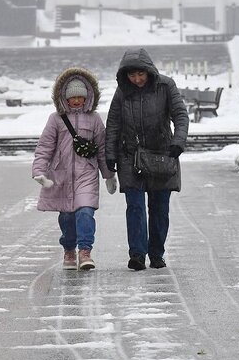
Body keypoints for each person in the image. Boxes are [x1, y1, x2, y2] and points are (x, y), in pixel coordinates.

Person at [104, 48, 189, 271]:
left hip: (162, 155)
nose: (137, 79)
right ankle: (138, 255)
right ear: (125, 76)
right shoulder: (122, 92)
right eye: (132, 75)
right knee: (135, 207)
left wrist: (178, 141)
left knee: (160, 208)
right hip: (130, 157)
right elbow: (113, 123)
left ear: (149, 71)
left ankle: (157, 253)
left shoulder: (166, 86)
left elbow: (180, 115)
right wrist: (110, 155)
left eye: (140, 74)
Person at [32, 68, 116, 271]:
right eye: (73, 97)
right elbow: (45, 146)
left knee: (85, 212)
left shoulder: (95, 119)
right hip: (61, 176)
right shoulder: (56, 119)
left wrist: (108, 175)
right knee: (67, 216)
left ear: (87, 97)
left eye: (80, 97)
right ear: (64, 98)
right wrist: (39, 171)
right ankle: (69, 248)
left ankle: (85, 251)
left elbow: (102, 148)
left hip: (87, 174)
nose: (77, 101)